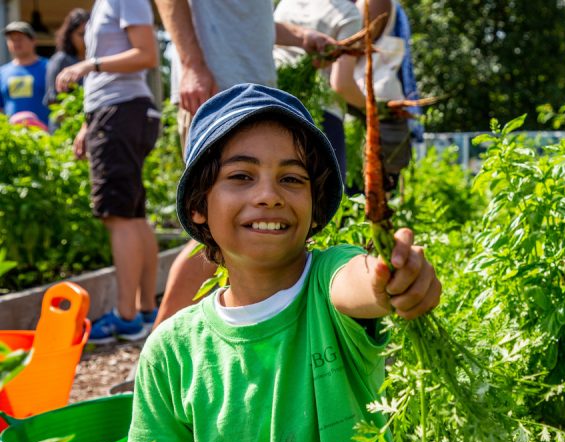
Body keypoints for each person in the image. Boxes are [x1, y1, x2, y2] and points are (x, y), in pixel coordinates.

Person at [124, 84, 441, 442]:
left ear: (314, 203)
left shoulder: (330, 280)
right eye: (241, 176)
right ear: (199, 205)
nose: (270, 195)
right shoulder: (170, 351)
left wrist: (394, 276)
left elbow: (361, 282)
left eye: (292, 179)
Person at [150, 0, 338, 330]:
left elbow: (252, 20)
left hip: (262, 97)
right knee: (214, 229)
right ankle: (157, 347)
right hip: (216, 96)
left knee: (245, 233)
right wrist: (192, 64)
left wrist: (301, 36)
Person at [55, 0, 161, 343]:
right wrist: (89, 124)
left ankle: (126, 317)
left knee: (117, 216)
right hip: (116, 113)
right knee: (133, 214)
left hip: (120, 112)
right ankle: (145, 310)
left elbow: (146, 55)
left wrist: (89, 65)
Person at [273, 0, 367, 177]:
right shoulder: (349, 14)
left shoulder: (287, 3)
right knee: (323, 196)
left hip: (275, 107)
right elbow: (342, 85)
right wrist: (370, 108)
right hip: (322, 116)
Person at [349, 0, 422, 194]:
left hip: (376, 114)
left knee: (370, 196)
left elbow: (347, 49)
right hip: (362, 109)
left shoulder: (373, 2)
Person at [1, 21, 49, 126]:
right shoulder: (2, 73)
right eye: (11, 39)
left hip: (46, 136)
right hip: (13, 137)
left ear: (33, 40)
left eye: (20, 39)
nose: (16, 43)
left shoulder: (49, 67)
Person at [43, 8, 89, 107]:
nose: (86, 39)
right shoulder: (60, 60)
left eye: (89, 34)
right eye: (81, 34)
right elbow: (52, 99)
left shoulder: (98, 61)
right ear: (70, 35)